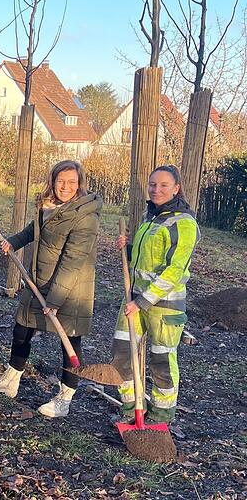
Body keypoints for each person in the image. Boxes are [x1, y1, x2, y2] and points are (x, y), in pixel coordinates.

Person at [0, 160, 102, 418]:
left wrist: (55, 300)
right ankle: (10, 380)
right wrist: (13, 242)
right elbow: (32, 231)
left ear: (80, 184)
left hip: (70, 289)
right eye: (61, 181)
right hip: (39, 280)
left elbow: (72, 262)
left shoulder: (85, 217)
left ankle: (64, 398)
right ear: (53, 181)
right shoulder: (48, 206)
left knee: (69, 339)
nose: (65, 187)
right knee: (22, 327)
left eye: (71, 182)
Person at [112, 165, 199, 424]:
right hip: (134, 299)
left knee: (161, 360)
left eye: (163, 185)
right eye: (152, 184)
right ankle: (131, 410)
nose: (156, 190)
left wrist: (142, 302)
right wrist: (127, 249)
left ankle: (160, 416)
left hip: (164, 307)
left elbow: (174, 271)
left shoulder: (184, 223)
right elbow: (144, 261)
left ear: (176, 188)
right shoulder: (151, 217)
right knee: (122, 353)